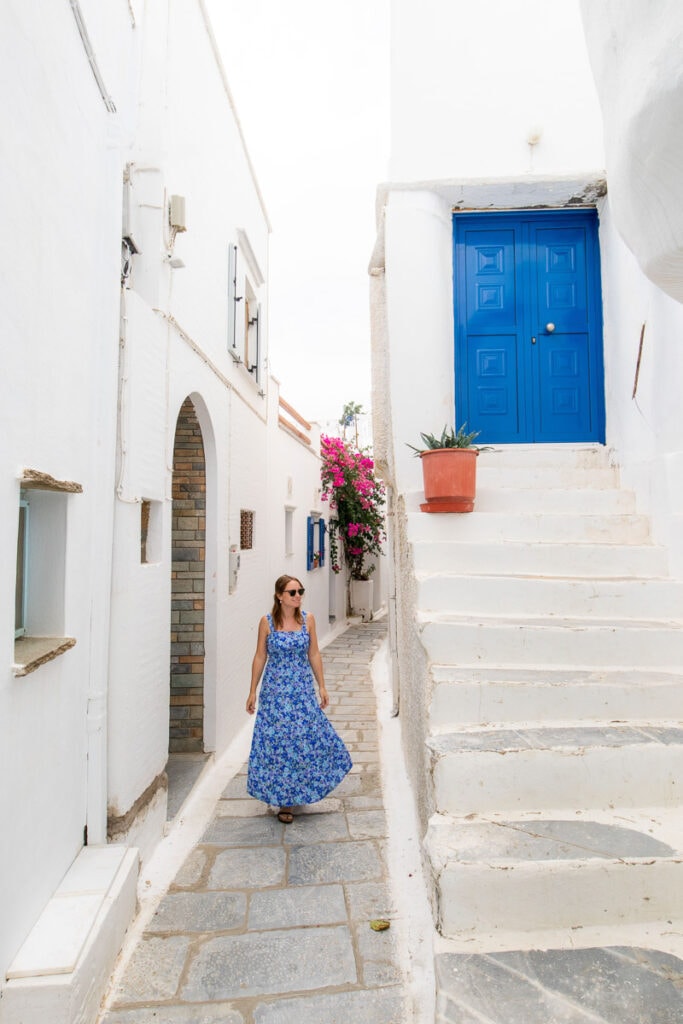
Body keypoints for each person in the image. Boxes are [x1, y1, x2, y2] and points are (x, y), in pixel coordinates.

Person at [246, 574, 352, 823]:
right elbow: (260, 656)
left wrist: (322, 686)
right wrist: (252, 690)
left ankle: (304, 787)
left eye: (300, 591)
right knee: (279, 743)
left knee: (306, 738)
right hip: (275, 693)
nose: (298, 597)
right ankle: (285, 801)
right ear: (279, 596)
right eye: (292, 592)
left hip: (301, 690)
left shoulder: (308, 620)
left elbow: (314, 653)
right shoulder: (267, 622)